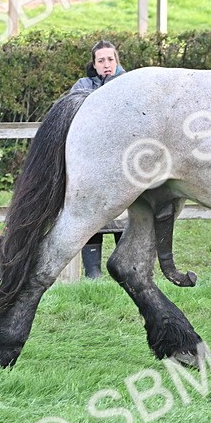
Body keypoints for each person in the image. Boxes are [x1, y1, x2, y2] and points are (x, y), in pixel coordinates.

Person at [69, 40, 126, 277]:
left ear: (117, 61)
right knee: (93, 212)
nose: (106, 64)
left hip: (122, 161)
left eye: (110, 59)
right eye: (101, 60)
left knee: (123, 212)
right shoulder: (83, 86)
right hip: (91, 161)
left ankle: (126, 269)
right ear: (94, 64)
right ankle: (93, 273)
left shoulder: (128, 83)